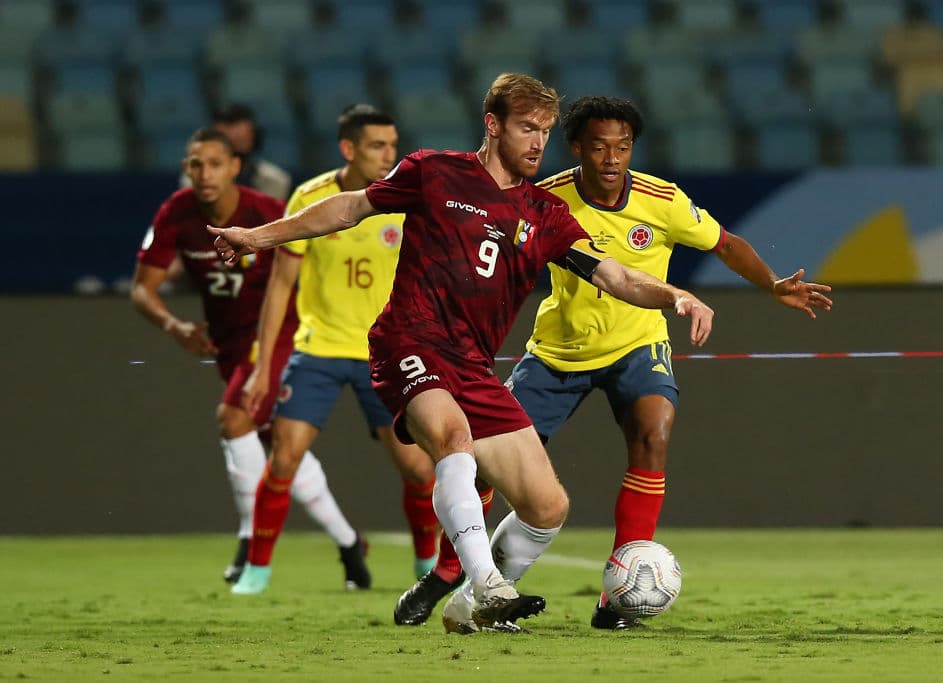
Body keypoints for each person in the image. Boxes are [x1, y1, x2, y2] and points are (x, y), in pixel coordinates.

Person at [208, 73, 715, 634]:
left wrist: (674, 294)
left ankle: (464, 606)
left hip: (473, 364)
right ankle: (487, 587)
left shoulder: (545, 214)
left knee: (548, 507)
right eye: (527, 128)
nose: (537, 143)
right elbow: (349, 207)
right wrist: (256, 237)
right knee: (454, 439)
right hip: (411, 339)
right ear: (493, 125)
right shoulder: (433, 171)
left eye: (545, 131)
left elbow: (615, 275)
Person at [506, 96, 834, 629]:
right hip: (558, 349)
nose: (612, 158)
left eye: (623, 146)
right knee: (492, 459)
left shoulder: (663, 199)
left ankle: (619, 594)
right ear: (577, 149)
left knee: (654, 433)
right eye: (599, 146)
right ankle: (464, 576)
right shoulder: (544, 198)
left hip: (639, 342)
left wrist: (772, 284)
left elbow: (725, 245)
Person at [131, 127, 366, 587]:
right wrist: (175, 326)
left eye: (215, 163)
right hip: (228, 343)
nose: (204, 173)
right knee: (276, 446)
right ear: (185, 169)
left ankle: (247, 541)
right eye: (195, 164)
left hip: (277, 335)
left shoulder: (265, 212)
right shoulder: (176, 213)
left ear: (236, 167)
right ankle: (349, 543)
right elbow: (143, 287)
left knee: (233, 420)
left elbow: (306, 263)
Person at [230, 104, 446, 594]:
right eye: (377, 146)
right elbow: (281, 286)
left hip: (385, 352)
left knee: (418, 467)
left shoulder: (406, 199)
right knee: (284, 457)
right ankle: (256, 571)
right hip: (320, 350)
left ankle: (425, 562)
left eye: (393, 145)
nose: (389, 155)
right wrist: (264, 367)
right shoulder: (311, 198)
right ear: (348, 149)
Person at [179, 103, 292, 201]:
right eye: (227, 141)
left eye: (240, 139)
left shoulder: (276, 181)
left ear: (255, 137)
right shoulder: (194, 180)